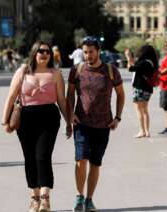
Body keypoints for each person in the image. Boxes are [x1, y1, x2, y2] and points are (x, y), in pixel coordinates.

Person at [1, 41, 70, 212]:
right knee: (30, 158)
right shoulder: (23, 71)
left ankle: (45, 199)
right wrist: (5, 121)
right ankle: (35, 197)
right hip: (26, 119)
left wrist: (69, 120)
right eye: (41, 51)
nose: (45, 54)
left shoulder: (55, 73)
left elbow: (61, 100)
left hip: (49, 118)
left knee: (42, 156)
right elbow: (11, 96)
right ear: (34, 53)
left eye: (47, 51)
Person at [66, 36, 125, 212]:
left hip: (103, 125)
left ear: (98, 51)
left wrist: (118, 117)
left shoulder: (111, 70)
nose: (88, 55)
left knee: (95, 163)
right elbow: (69, 95)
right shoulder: (77, 70)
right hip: (81, 123)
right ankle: (79, 196)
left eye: (91, 51)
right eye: (85, 52)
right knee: (81, 159)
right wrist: (71, 115)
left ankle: (90, 199)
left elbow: (121, 94)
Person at [125, 45, 159, 138]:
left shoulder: (143, 62)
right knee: (145, 110)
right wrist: (131, 58)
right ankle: (147, 131)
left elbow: (130, 68)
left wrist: (128, 58)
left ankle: (142, 131)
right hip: (148, 89)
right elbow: (135, 66)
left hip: (139, 88)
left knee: (139, 110)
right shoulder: (151, 63)